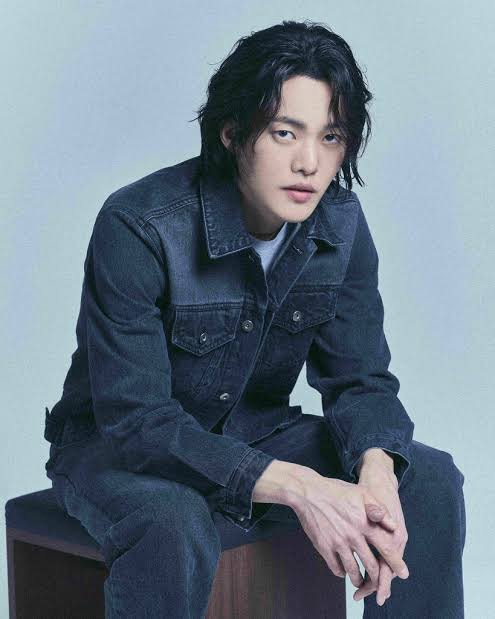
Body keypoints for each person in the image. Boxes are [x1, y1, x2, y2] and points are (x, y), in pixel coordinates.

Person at [43, 19, 466, 618]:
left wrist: (376, 469)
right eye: (284, 132)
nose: (309, 162)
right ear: (233, 132)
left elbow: (361, 380)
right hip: (116, 449)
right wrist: (302, 487)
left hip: (254, 431)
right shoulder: (139, 225)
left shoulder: (339, 224)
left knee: (429, 480)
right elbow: (137, 421)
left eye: (330, 137)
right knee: (173, 522)